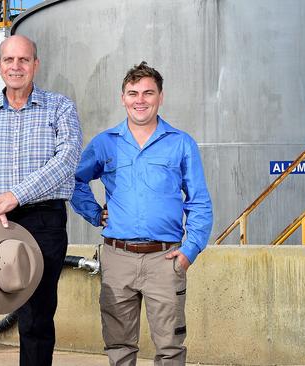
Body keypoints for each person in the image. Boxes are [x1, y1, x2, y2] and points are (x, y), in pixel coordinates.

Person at [0, 34, 83, 366]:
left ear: (35, 64)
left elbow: (66, 160)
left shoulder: (59, 107)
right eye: (9, 60)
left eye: (23, 60)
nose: (16, 66)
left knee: (36, 316)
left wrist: (14, 196)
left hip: (41, 220)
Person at [71, 61, 213, 364]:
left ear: (160, 97)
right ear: (122, 98)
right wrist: (95, 214)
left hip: (165, 259)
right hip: (117, 258)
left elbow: (199, 201)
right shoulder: (105, 144)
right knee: (119, 347)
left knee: (170, 348)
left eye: (148, 93)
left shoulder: (181, 143)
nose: (140, 100)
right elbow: (74, 181)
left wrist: (190, 250)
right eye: (133, 93)